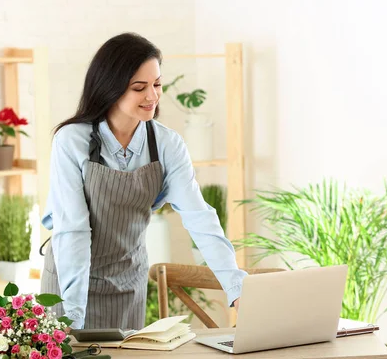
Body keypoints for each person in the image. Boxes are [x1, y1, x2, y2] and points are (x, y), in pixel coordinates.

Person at [40, 32, 247, 331]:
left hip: (127, 283)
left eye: (157, 84)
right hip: (69, 284)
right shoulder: (71, 141)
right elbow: (73, 229)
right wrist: (71, 316)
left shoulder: (167, 145)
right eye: (140, 87)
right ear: (110, 88)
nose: (152, 96)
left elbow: (200, 219)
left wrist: (236, 287)